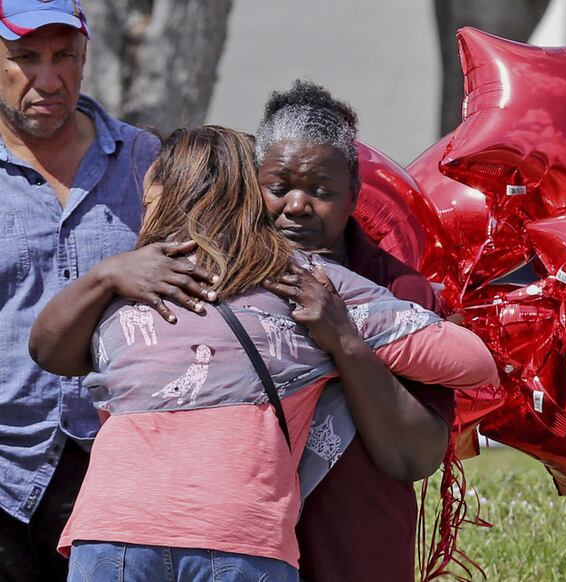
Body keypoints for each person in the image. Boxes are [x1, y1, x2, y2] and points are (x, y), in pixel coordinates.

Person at [29, 125, 499, 580]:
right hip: (240, 538)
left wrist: (106, 275)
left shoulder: (128, 287)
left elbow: (48, 351)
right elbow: (473, 363)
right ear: (254, 197)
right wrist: (344, 335)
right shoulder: (309, 283)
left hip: (112, 532)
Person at [254, 80, 461, 581]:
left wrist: (344, 337)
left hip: (357, 549)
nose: (297, 206)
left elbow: (415, 455)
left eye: (321, 191)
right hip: (241, 550)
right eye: (279, 187)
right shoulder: (220, 280)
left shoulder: (402, 291)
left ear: (354, 196)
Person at [0, 2, 179, 579]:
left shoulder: (144, 161)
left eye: (65, 57)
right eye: (25, 58)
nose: (49, 80)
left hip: (119, 467)